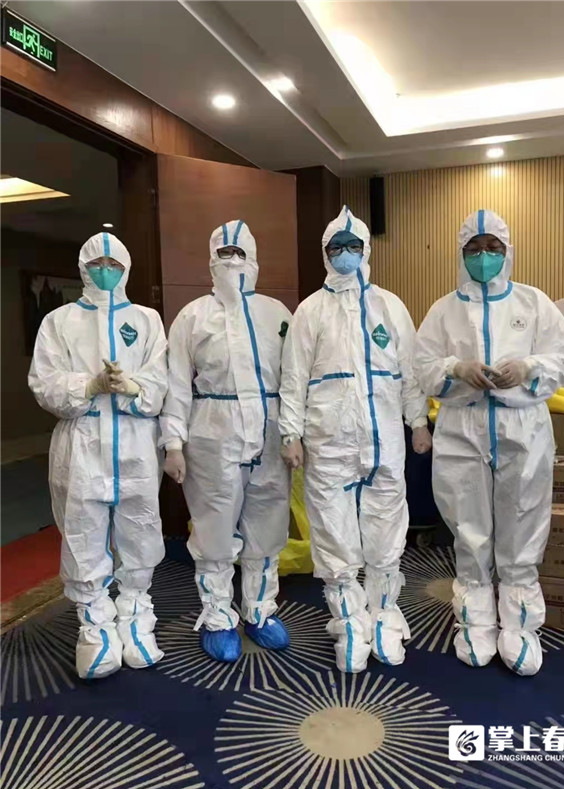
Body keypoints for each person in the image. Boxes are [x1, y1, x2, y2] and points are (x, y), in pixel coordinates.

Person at [414, 209, 564, 676]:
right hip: (461, 427)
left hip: (522, 427)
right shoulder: (443, 309)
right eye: (474, 248)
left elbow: (563, 356)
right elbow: (421, 366)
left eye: (493, 248)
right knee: (469, 528)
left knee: (523, 520)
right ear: (460, 253)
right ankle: (474, 618)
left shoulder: (533, 302)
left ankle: (521, 624)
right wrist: (456, 368)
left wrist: (528, 368)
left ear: (508, 252)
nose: (483, 256)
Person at [279, 206, 431, 673]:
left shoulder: (390, 306)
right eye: (336, 247)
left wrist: (418, 421)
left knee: (386, 527)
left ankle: (384, 613)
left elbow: (410, 371)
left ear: (366, 250)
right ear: (325, 253)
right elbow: (293, 377)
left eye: (353, 246)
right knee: (333, 530)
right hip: (328, 442)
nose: (345, 253)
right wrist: (290, 432)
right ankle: (348, 619)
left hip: (384, 439)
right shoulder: (310, 310)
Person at [29, 232, 168, 680]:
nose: (105, 271)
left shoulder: (146, 319)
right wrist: (87, 387)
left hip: (135, 442)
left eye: (114, 264)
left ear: (126, 268)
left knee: (139, 529)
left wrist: (134, 387)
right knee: (82, 531)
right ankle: (95, 628)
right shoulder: (59, 321)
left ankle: (135, 617)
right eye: (97, 263)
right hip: (81, 443)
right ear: (83, 267)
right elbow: (43, 382)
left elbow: (161, 380)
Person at [160, 220, 292, 663]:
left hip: (270, 429)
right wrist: (173, 443)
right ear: (211, 257)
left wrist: (296, 431)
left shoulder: (277, 314)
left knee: (267, 524)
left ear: (253, 257)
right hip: (212, 432)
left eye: (240, 252)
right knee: (214, 527)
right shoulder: (193, 316)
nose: (233, 260)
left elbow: (295, 378)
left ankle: (260, 610)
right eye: (224, 252)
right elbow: (177, 382)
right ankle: (218, 616)